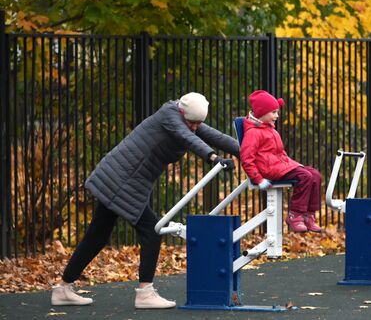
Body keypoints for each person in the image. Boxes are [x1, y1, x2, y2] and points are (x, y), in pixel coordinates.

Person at [51, 92, 240, 309]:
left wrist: (246, 151)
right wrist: (214, 158)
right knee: (152, 230)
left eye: (198, 123)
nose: (195, 127)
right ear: (182, 112)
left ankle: (63, 288)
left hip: (122, 178)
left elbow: (214, 136)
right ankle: (145, 292)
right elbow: (188, 138)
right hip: (123, 180)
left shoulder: (186, 120)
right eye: (193, 123)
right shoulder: (170, 116)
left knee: (98, 235)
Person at [239, 90, 322, 233]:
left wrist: (295, 165)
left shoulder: (270, 130)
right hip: (269, 170)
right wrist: (258, 179)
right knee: (305, 176)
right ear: (261, 113)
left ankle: (309, 215)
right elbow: (246, 159)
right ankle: (295, 215)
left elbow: (281, 154)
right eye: (273, 112)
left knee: (315, 175)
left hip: (279, 167)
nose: (277, 116)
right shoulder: (253, 132)